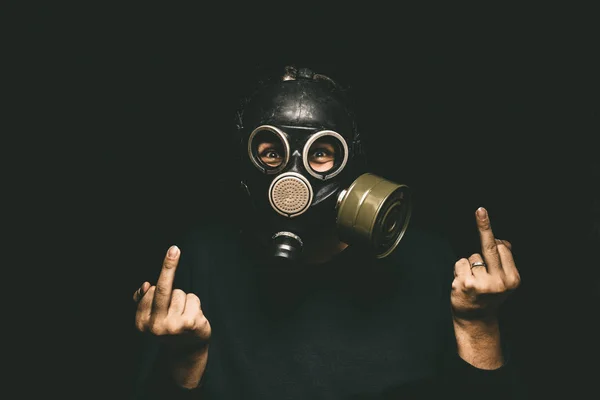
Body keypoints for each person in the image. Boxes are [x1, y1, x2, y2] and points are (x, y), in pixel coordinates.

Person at [131, 65, 526, 399]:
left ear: (354, 164)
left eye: (320, 152)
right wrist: (184, 359)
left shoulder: (429, 264)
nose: (293, 179)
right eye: (272, 152)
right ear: (245, 164)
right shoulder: (201, 263)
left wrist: (479, 324)